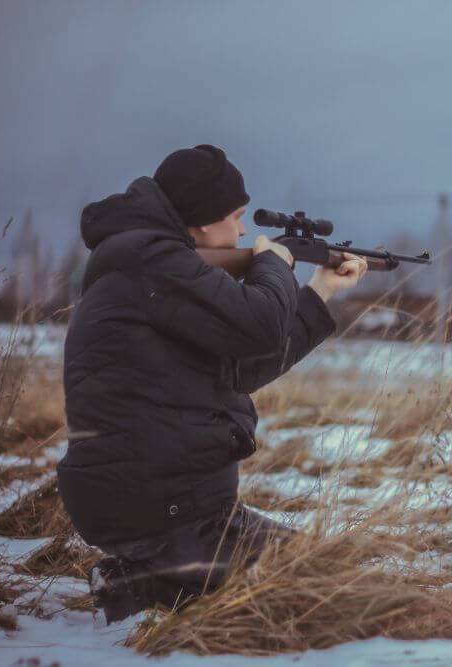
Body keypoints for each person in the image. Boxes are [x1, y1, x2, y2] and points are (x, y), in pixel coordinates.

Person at [56, 144, 367, 623]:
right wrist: (274, 261)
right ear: (202, 220)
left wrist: (320, 293)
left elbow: (242, 367)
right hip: (169, 507)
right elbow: (260, 323)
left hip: (154, 500)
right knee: (322, 575)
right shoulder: (152, 259)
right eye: (236, 216)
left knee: (315, 565)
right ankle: (152, 577)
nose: (243, 230)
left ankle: (141, 582)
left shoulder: (144, 263)